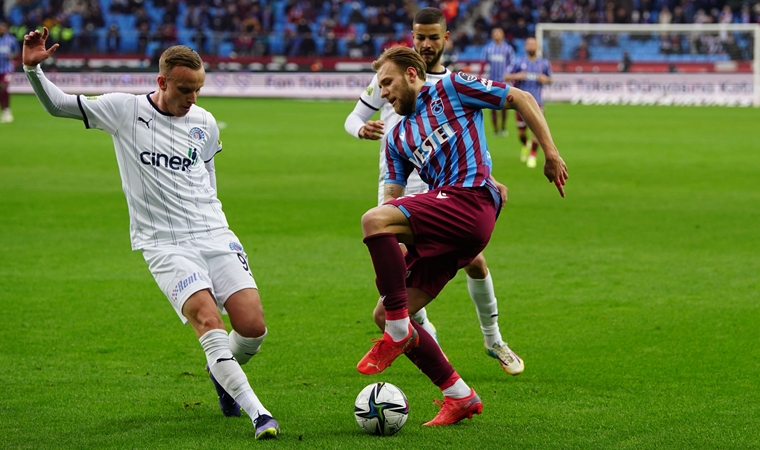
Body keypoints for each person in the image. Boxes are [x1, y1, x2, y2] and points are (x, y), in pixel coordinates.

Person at [21, 28, 279, 440]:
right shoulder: (123, 110)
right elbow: (59, 106)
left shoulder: (205, 121)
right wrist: (33, 69)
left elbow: (207, 168)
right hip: (163, 243)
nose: (192, 98)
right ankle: (259, 414)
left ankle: (222, 373)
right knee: (208, 320)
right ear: (161, 82)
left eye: (197, 89)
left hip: (214, 232)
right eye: (183, 89)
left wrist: (213, 214)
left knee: (253, 328)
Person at [357, 46, 568, 426]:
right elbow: (392, 193)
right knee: (382, 312)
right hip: (453, 227)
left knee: (374, 226)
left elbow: (521, 96)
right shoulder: (396, 137)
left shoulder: (452, 88)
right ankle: (459, 395)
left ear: (410, 74)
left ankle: (403, 331)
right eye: (379, 87)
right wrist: (397, 238)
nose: (383, 93)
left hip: (472, 200)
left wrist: (550, 153)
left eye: (387, 82)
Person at [344, 7, 524, 377]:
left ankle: (493, 340)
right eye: (419, 37)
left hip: (448, 186)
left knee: (475, 260)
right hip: (398, 182)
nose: (425, 44)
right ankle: (425, 338)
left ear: (446, 39)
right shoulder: (388, 75)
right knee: (400, 266)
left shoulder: (450, 84)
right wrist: (359, 130)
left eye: (432, 37)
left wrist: (489, 178)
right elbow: (353, 117)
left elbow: (467, 141)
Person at [504, 37, 552, 168]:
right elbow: (506, 76)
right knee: (521, 133)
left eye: (534, 44)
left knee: (536, 130)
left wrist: (545, 79)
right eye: (529, 44)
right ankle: (526, 145)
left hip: (537, 103)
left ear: (538, 47)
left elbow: (550, 80)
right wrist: (517, 76)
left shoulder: (544, 63)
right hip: (520, 103)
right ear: (525, 47)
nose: (531, 46)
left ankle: (532, 155)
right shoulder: (518, 62)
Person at [479, 27, 514, 137]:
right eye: (495, 33)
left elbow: (512, 64)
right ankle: (495, 129)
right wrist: (479, 77)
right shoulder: (488, 48)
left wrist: (510, 76)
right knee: (492, 105)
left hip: (504, 81)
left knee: (504, 105)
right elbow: (483, 63)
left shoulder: (508, 49)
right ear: (492, 35)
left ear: (503, 35)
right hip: (492, 81)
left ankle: (503, 127)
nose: (497, 35)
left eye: (499, 33)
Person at [0, 21, 19, 123]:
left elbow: (16, 51)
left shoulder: (11, 40)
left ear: (6, 29)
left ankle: (6, 110)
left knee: (3, 86)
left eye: (2, 28)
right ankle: (4, 110)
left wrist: (11, 56)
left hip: (7, 69)